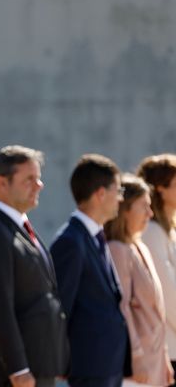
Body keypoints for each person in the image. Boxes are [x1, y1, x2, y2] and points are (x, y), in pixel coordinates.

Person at [0, 145, 69, 387]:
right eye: (29, 179)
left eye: (38, 178)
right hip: (15, 374)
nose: (39, 185)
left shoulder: (18, 227)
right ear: (2, 183)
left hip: (39, 364)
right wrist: (18, 369)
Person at [50, 154, 128, 387]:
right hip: (89, 367)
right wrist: (61, 361)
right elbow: (61, 306)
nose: (120, 199)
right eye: (118, 190)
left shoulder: (94, 237)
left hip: (107, 365)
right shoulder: (71, 241)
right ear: (100, 194)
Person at [105, 174, 175, 387]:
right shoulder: (117, 249)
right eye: (143, 206)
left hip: (153, 361)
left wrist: (164, 360)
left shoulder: (139, 247)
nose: (150, 213)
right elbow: (123, 308)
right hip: (137, 367)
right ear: (125, 210)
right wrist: (135, 357)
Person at [137, 154, 176, 386]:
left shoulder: (167, 230)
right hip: (168, 350)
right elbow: (167, 294)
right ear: (160, 189)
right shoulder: (152, 232)